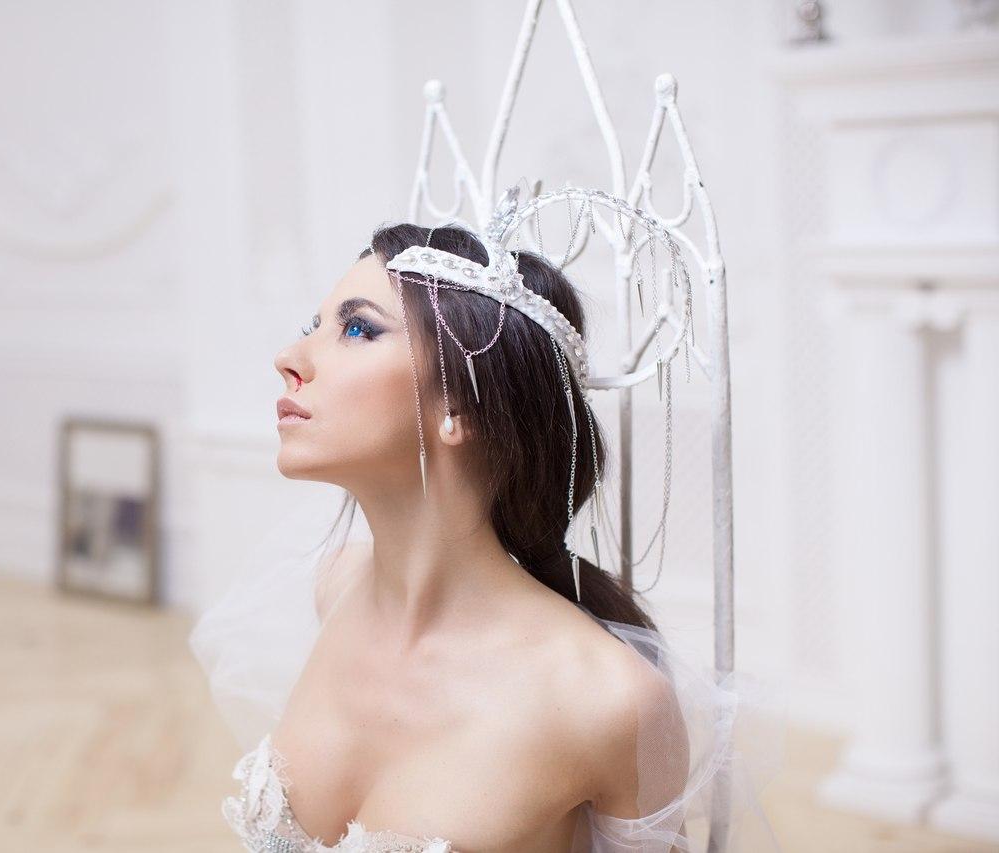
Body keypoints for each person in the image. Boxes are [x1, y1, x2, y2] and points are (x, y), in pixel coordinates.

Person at [191, 219, 781, 852]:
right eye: (315, 326)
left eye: (357, 329)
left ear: (462, 407)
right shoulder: (334, 585)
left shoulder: (608, 699)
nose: (289, 358)